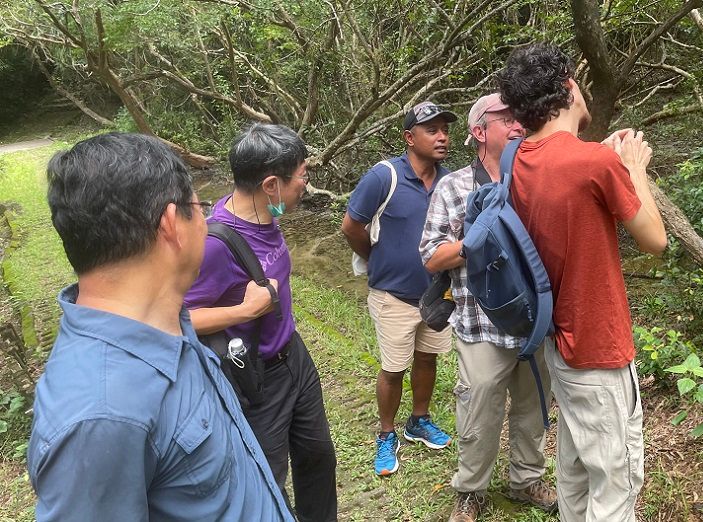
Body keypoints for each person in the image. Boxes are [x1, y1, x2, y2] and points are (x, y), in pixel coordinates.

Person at [27, 132, 295, 522]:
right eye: (199, 207)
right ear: (171, 224)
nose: (206, 221)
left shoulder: (164, 324)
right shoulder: (99, 416)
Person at [496, 43, 668, 521]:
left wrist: (607, 160)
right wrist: (634, 169)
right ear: (570, 88)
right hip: (599, 349)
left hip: (558, 345)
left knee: (574, 474)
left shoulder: (517, 159)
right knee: (614, 484)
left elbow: (566, 188)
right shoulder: (594, 164)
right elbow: (655, 241)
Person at [184, 123, 337, 522]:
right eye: (302, 175)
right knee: (268, 481)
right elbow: (181, 317)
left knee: (318, 457)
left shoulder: (269, 213)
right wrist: (245, 312)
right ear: (271, 184)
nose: (306, 183)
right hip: (257, 380)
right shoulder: (214, 245)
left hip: (294, 357)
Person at [419, 93, 558, 521]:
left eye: (519, 118)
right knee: (478, 412)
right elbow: (432, 256)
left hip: (534, 322)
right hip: (480, 325)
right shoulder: (454, 187)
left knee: (533, 408)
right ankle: (471, 490)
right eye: (506, 119)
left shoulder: (536, 178)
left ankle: (526, 480)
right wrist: (475, 242)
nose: (518, 124)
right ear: (479, 131)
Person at [341, 101, 457, 476]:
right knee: (393, 369)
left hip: (437, 295)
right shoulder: (384, 177)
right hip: (393, 295)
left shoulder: (450, 181)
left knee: (428, 358)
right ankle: (386, 433)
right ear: (409, 137)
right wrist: (376, 259)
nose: (442, 137)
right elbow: (351, 226)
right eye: (432, 130)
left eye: (445, 130)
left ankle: (418, 420)